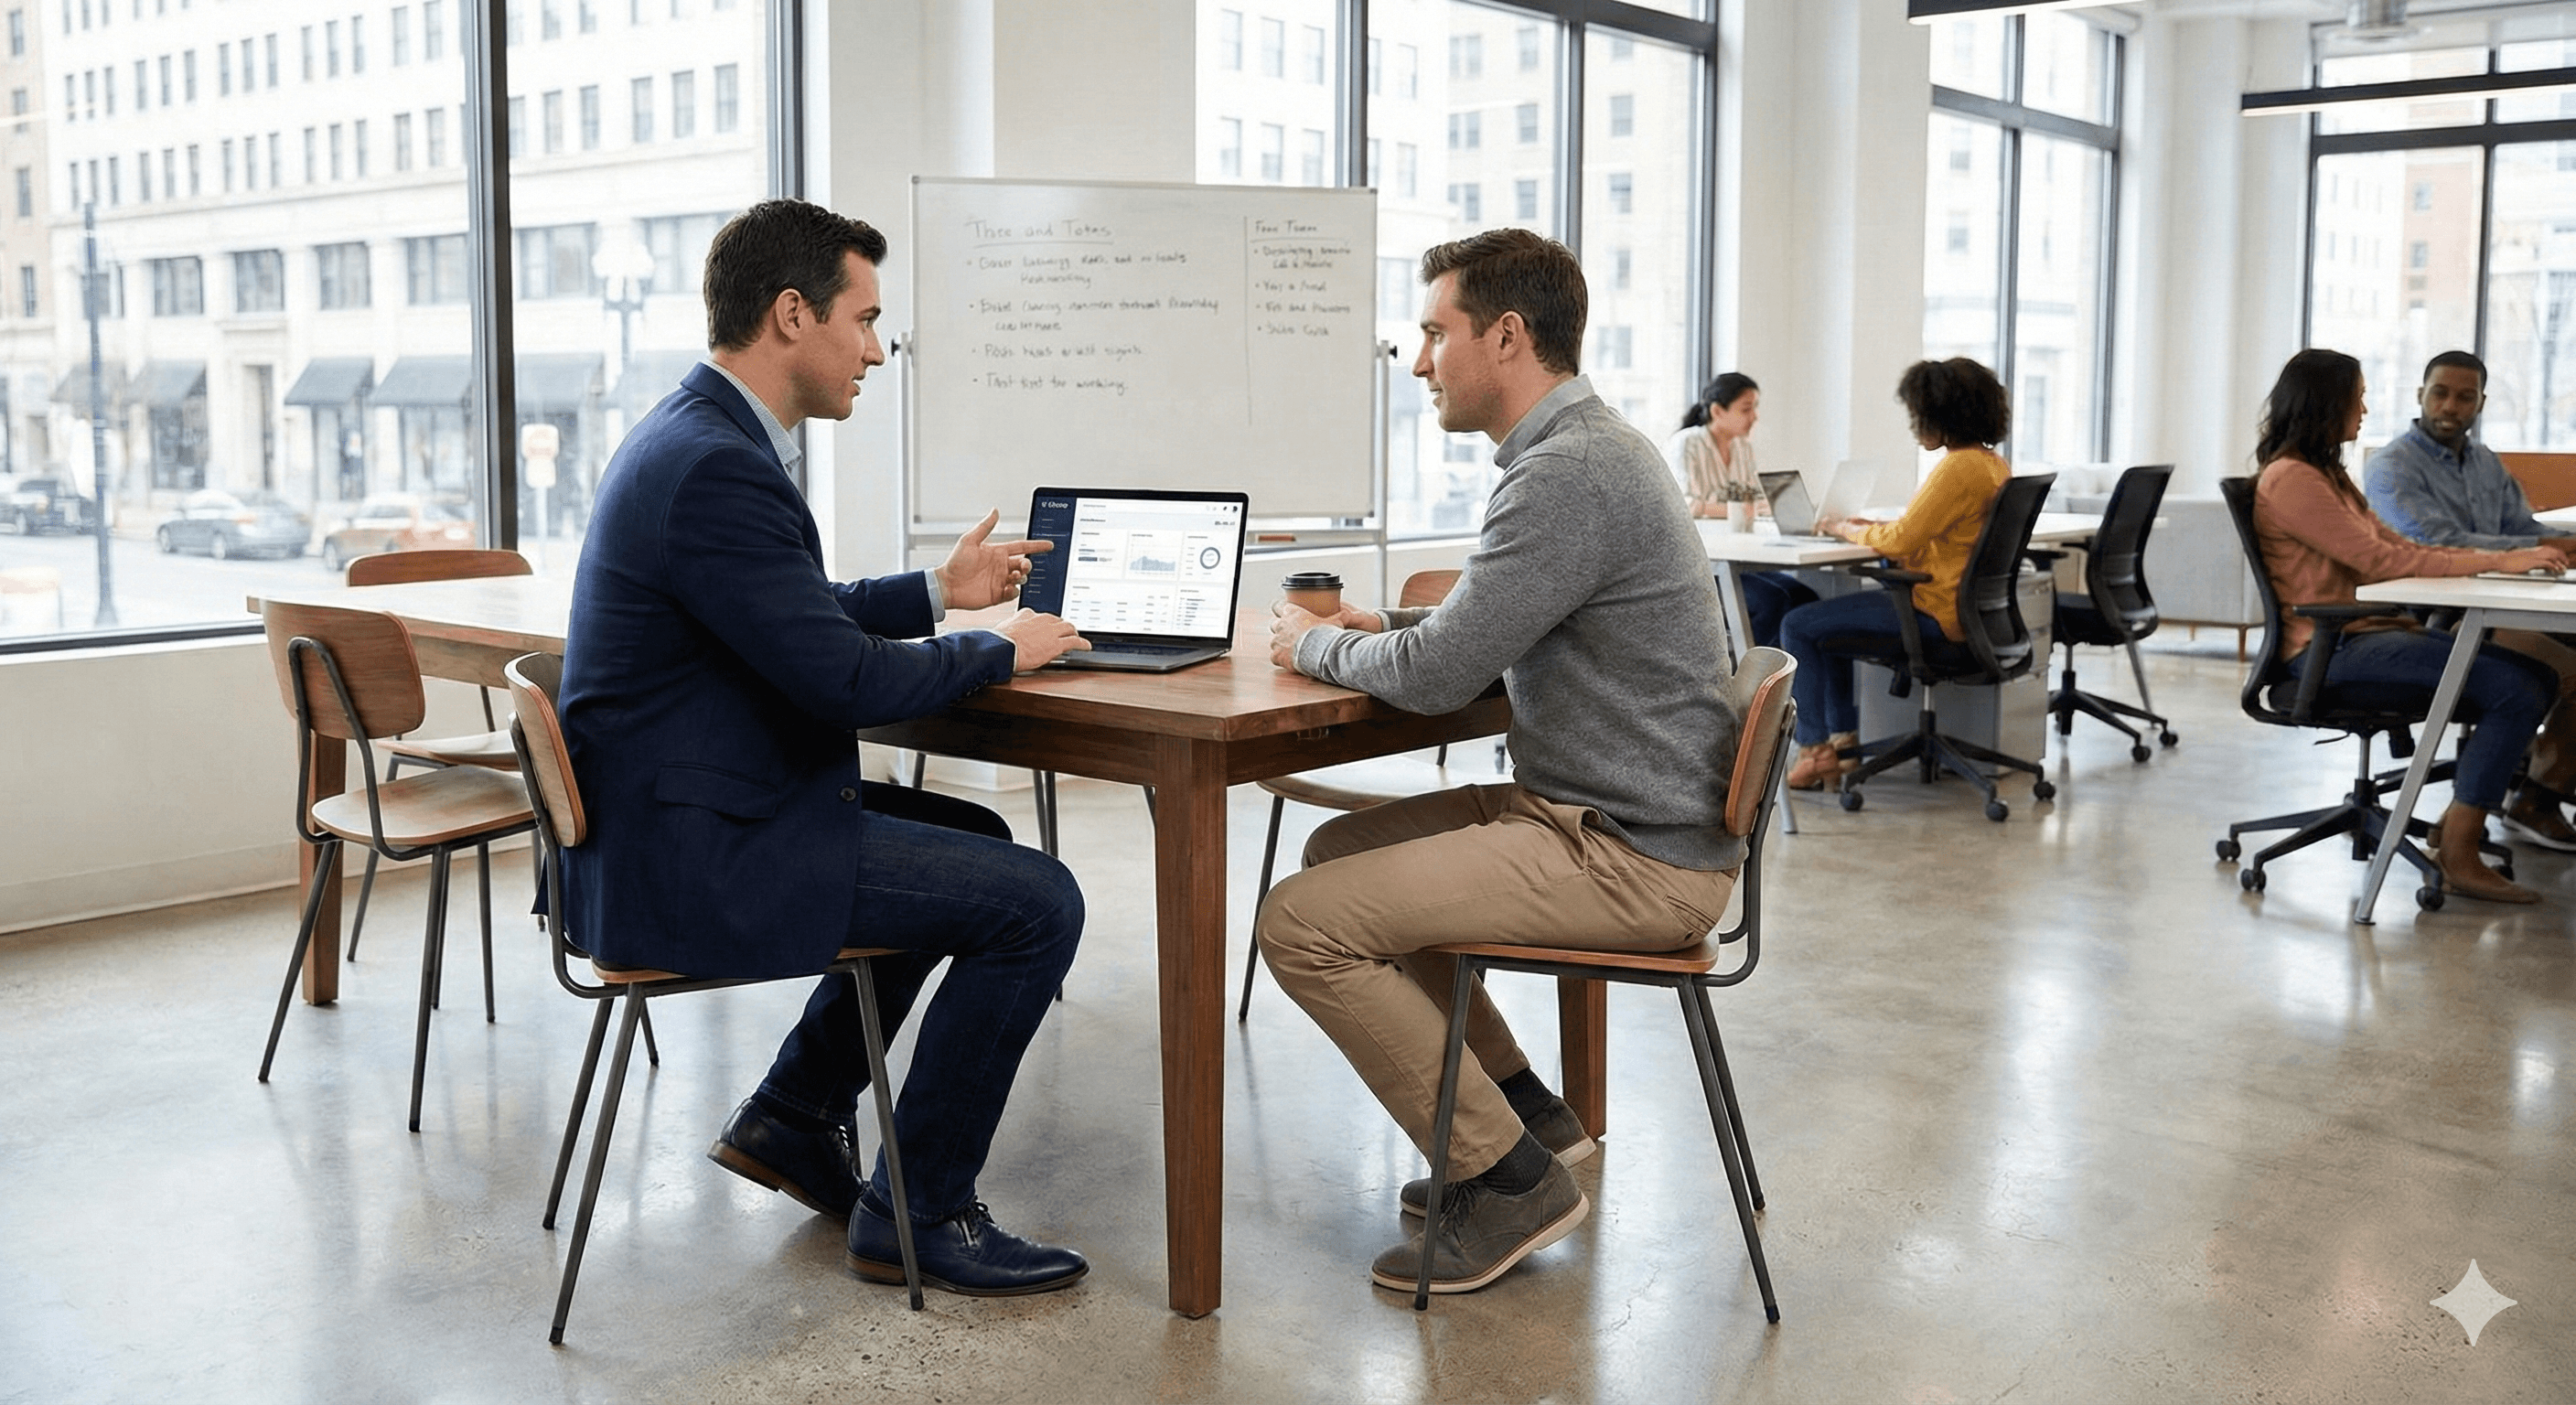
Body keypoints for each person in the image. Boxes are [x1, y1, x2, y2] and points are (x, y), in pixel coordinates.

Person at [558, 198, 1098, 1296]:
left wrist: (932, 595)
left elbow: (788, 614)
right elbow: (840, 680)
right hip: (698, 857)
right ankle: (920, 1213)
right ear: (791, 313)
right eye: (865, 319)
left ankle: (793, 1115)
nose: (875, 348)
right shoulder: (716, 467)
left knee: (971, 832)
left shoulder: (693, 437)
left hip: (674, 826)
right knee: (1037, 901)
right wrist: (994, 646)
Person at [1257, 229, 1743, 1296]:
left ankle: (1505, 1178)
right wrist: (1378, 625)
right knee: (1339, 847)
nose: (1421, 359)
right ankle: (1522, 1112)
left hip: (1629, 856)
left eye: (1436, 333)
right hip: (1607, 818)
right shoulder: (1584, 453)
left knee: (1300, 925)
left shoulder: (1566, 472)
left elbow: (1435, 679)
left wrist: (1313, 645)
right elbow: (1482, 631)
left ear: (1506, 336)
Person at [2250, 348, 2559, 903]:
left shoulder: (2327, 476)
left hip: (2366, 635)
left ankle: (2457, 827)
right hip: (2329, 650)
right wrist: (2499, 560)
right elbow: (2382, 564)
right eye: (2358, 397)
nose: (2365, 409)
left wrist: (2501, 556)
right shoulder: (2293, 480)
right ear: (2327, 403)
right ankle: (2461, 853)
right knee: (2515, 688)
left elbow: (2400, 545)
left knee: (2539, 678)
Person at [2362, 349, 2576, 848]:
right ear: (2420, 395)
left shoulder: (2483, 463)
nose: (2450, 406)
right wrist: (2544, 549)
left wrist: (2559, 543)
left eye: (2464, 397)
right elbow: (2440, 543)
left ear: (2481, 402)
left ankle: (2534, 777)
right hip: (2435, 623)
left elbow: (2522, 531)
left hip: (2501, 603)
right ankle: (2535, 799)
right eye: (2440, 393)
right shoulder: (2393, 466)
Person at [1775, 358, 2012, 790]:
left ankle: (1815, 753)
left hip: (1933, 611)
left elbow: (1903, 540)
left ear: (1941, 414)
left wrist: (1843, 527)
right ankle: (1843, 746)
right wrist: (1869, 529)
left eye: (1917, 414)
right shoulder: (1992, 465)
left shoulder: (1958, 468)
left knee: (1798, 625)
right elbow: (1924, 533)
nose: (1913, 424)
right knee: (1825, 622)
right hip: (1966, 612)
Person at [1668, 372, 1817, 647]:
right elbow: (1683, 505)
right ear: (1717, 411)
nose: (1755, 417)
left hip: (1740, 563)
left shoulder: (1743, 448)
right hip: (1703, 567)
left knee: (1805, 599)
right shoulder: (1687, 443)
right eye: (1746, 409)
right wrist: (1738, 509)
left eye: (1755, 408)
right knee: (1776, 600)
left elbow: (1755, 501)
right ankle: (1743, 681)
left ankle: (1778, 683)